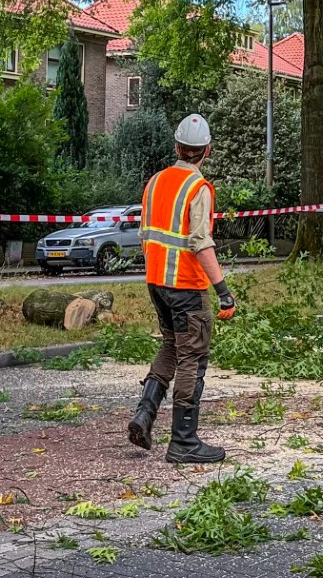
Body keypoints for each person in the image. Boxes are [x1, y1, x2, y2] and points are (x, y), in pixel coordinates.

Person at [125, 113, 236, 464]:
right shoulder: (198, 188)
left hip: (156, 281)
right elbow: (201, 242)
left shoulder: (155, 181)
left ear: (176, 147)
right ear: (207, 150)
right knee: (193, 357)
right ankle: (184, 441)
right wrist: (223, 291)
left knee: (172, 346)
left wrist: (156, 273)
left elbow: (146, 235)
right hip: (186, 286)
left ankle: (144, 414)